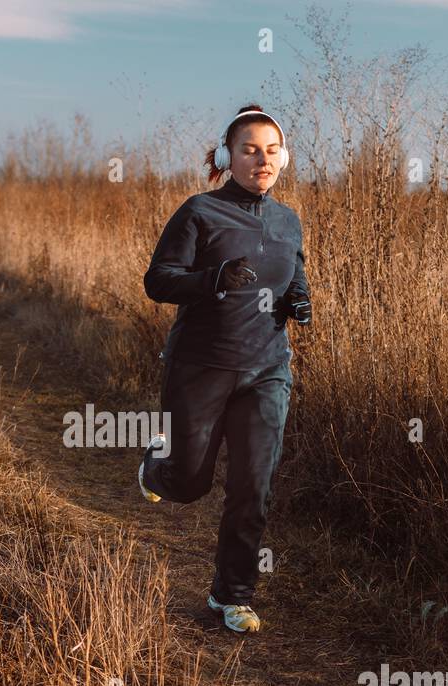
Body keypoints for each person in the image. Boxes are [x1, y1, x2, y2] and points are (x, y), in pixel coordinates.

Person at [138, 104, 312, 634]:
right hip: (201, 366)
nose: (262, 159)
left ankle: (232, 595)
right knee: (190, 483)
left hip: (266, 370)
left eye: (271, 149)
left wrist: (299, 301)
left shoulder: (288, 220)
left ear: (284, 157)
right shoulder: (199, 212)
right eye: (249, 149)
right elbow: (159, 281)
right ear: (226, 155)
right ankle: (157, 469)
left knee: (252, 485)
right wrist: (214, 277)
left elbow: (293, 273)